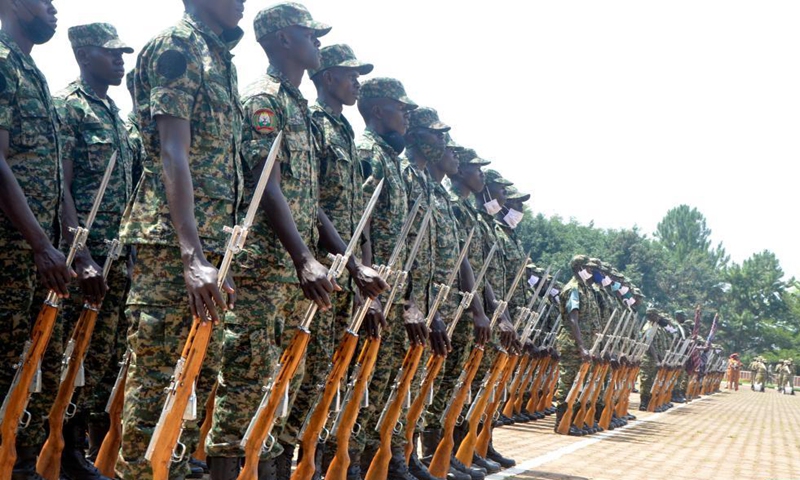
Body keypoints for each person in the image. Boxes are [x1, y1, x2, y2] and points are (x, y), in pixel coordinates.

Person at [118, 1, 246, 478]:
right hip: (173, 246)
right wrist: (191, 255)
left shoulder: (219, 57)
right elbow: (172, 149)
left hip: (210, 244)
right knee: (158, 386)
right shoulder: (179, 46)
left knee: (192, 378)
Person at [54, 22, 134, 479]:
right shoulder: (71, 108)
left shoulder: (114, 114)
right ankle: (52, 450)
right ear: (85, 55)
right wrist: (78, 252)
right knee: (70, 353)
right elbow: (61, 185)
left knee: (99, 358)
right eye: (111, 53)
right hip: (83, 259)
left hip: (116, 259)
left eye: (122, 54)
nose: (120, 61)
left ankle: (76, 451)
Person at [0, 1, 71, 478]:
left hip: (31, 251)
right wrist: (40, 244)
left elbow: (51, 173)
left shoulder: (31, 70)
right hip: (10, 247)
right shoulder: (4, 63)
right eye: (44, 2)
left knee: (27, 361)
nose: (53, 9)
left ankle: (21, 464)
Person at [555, 255, 602, 436]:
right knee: (568, 382)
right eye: (588, 269)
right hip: (572, 343)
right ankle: (562, 421)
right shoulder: (573, 289)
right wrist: (582, 346)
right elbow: (573, 320)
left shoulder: (585, 290)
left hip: (584, 344)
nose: (591, 273)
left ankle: (573, 420)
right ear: (578, 268)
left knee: (580, 382)